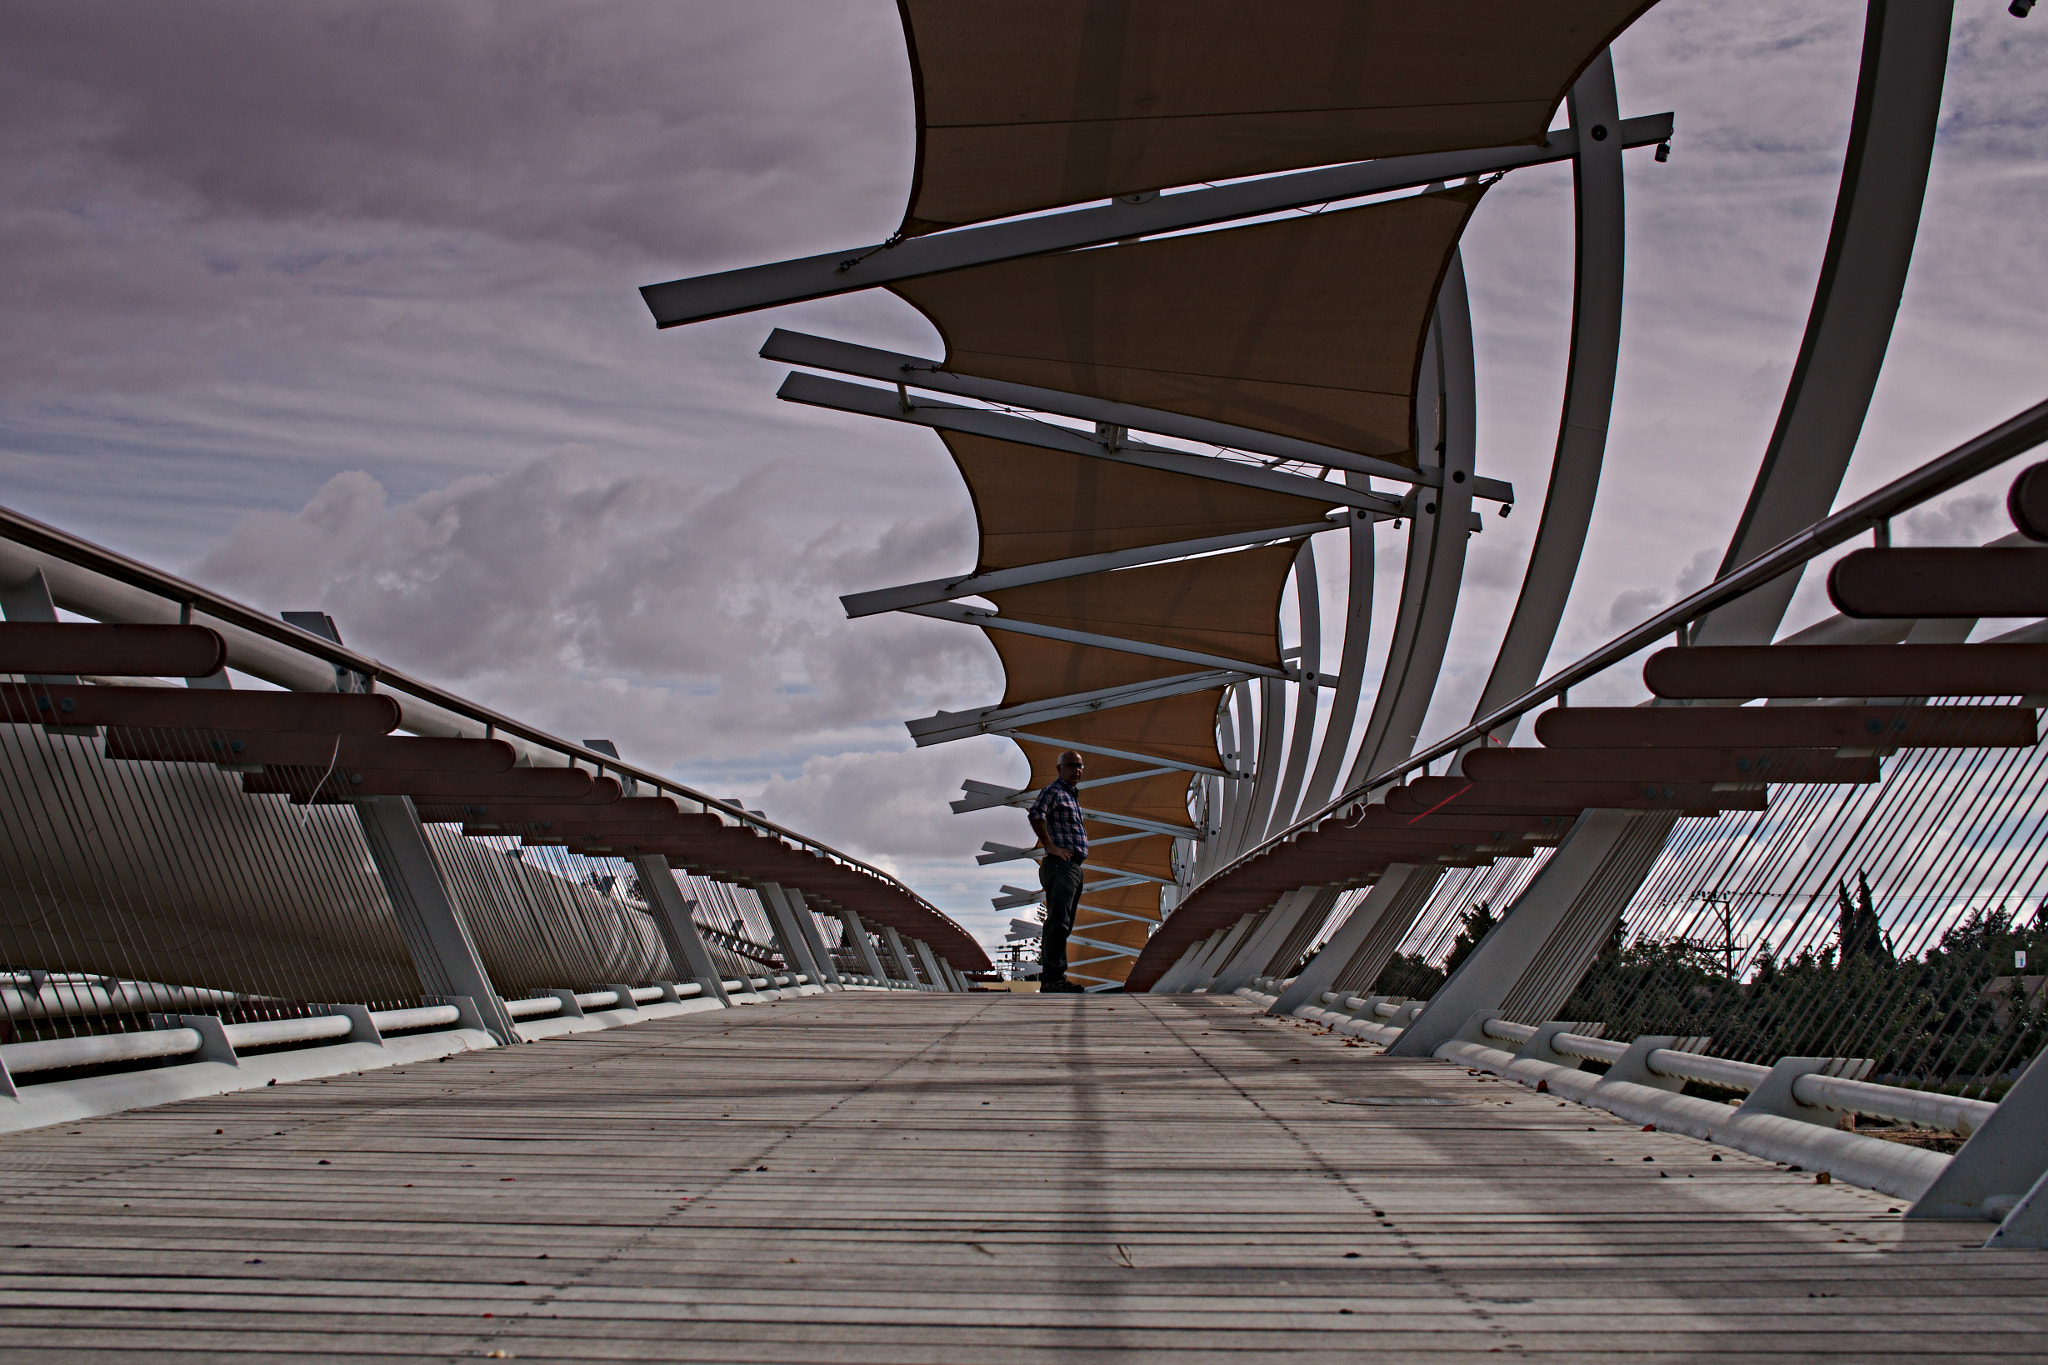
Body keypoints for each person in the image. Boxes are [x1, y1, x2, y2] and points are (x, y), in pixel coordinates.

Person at [1028, 750, 1089, 993]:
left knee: (1064, 923)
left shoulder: (1071, 796)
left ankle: (1057, 977)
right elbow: (1036, 814)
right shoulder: (1054, 791)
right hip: (1060, 865)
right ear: (1059, 768)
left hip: (1072, 867)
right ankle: (1052, 979)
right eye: (1072, 765)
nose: (1077, 770)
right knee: (1058, 922)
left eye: (1080, 766)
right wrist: (1051, 847)